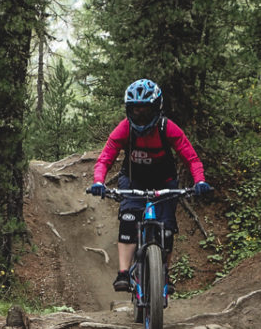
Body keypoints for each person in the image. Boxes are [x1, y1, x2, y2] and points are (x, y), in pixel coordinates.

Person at [89, 79, 211, 293]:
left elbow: (191, 158)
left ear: (157, 108)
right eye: (136, 110)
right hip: (133, 181)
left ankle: (163, 273)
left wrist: (199, 180)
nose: (141, 115)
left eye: (146, 109)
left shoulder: (168, 128)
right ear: (129, 110)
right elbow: (105, 158)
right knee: (128, 220)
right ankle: (124, 273)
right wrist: (98, 181)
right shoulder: (124, 129)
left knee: (167, 229)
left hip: (165, 183)